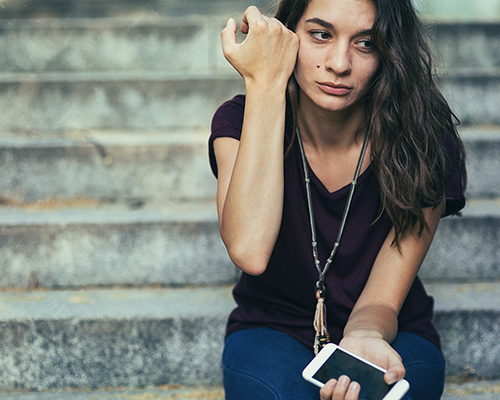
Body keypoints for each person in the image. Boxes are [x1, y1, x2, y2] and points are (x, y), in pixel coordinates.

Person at [208, 0, 466, 399]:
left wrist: (363, 335)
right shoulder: (240, 121)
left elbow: (381, 298)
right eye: (321, 34)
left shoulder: (422, 138)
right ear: (288, 34)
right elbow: (249, 250)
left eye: (366, 43)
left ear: (389, 52)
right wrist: (265, 84)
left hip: (388, 329)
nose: (340, 63)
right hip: (272, 329)